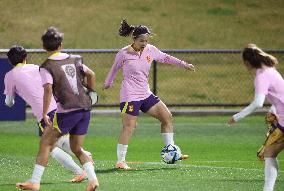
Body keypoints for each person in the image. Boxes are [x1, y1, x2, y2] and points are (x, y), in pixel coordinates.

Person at [103, 20, 195, 169]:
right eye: (141, 41)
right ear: (134, 39)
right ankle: (121, 161)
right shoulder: (124, 53)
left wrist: (184, 64)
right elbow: (114, 68)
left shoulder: (151, 50)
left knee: (167, 117)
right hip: (130, 95)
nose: (144, 43)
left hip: (145, 94)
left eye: (146, 40)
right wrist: (108, 82)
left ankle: (171, 151)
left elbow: (166, 58)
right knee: (129, 127)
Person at [16, 27, 99, 191]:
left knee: (46, 143)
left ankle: (34, 182)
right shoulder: (75, 59)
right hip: (84, 107)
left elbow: (47, 90)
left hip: (68, 110)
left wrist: (45, 112)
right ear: (61, 44)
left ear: (44, 47)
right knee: (76, 148)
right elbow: (91, 74)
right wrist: (91, 92)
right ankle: (93, 180)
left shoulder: (47, 66)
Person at [4, 45, 91, 183]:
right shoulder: (36, 67)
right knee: (55, 143)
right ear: (25, 57)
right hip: (59, 104)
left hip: (44, 111)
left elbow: (9, 102)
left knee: (53, 146)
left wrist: (13, 97)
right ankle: (82, 168)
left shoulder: (9, 76)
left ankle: (83, 164)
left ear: (10, 61)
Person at [228, 44, 284, 191]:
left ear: (247, 63)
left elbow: (258, 103)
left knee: (269, 153)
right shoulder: (271, 70)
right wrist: (274, 109)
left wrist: (236, 117)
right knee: (269, 153)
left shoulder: (261, 76)